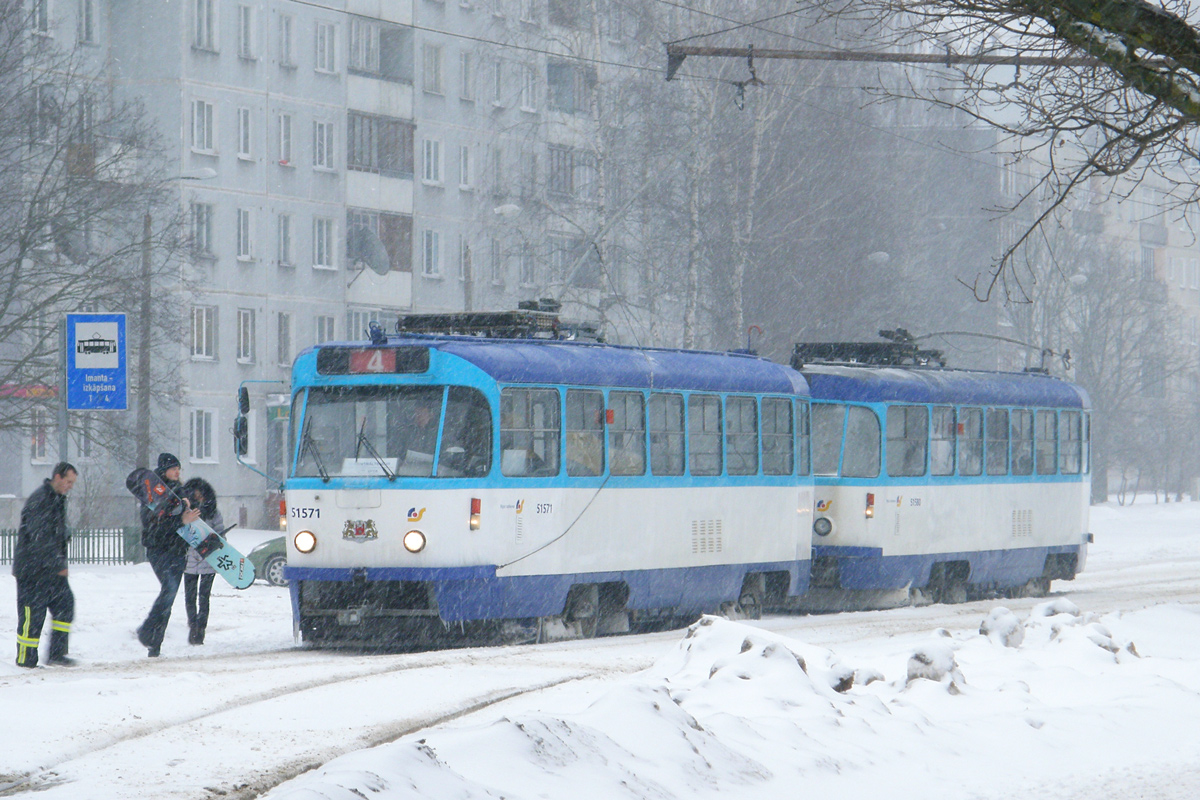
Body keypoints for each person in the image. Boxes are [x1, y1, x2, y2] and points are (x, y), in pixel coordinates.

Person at [13, 462, 78, 668]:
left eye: (72, 483)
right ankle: (25, 660)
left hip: (51, 569)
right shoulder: (41, 499)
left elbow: (54, 534)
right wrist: (57, 563)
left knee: (65, 604)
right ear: (57, 477)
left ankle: (57, 654)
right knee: (32, 616)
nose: (70, 486)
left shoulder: (57, 499)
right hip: (33, 570)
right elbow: (40, 537)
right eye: (68, 481)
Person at [136, 453, 200, 657]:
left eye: (179, 469)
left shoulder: (181, 492)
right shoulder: (152, 491)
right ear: (164, 470)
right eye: (174, 469)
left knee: (169, 595)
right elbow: (154, 523)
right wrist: (181, 520)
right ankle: (148, 631)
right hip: (158, 549)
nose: (177, 472)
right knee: (170, 589)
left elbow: (191, 518)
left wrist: (190, 511)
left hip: (178, 550)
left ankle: (155, 643)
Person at [180, 477, 222, 646]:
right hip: (189, 561)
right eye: (195, 495)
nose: (199, 497)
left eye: (201, 494)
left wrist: (214, 541)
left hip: (208, 561)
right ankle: (193, 626)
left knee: (204, 597)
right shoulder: (185, 513)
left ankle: (201, 628)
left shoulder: (213, 513)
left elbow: (220, 534)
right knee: (190, 597)